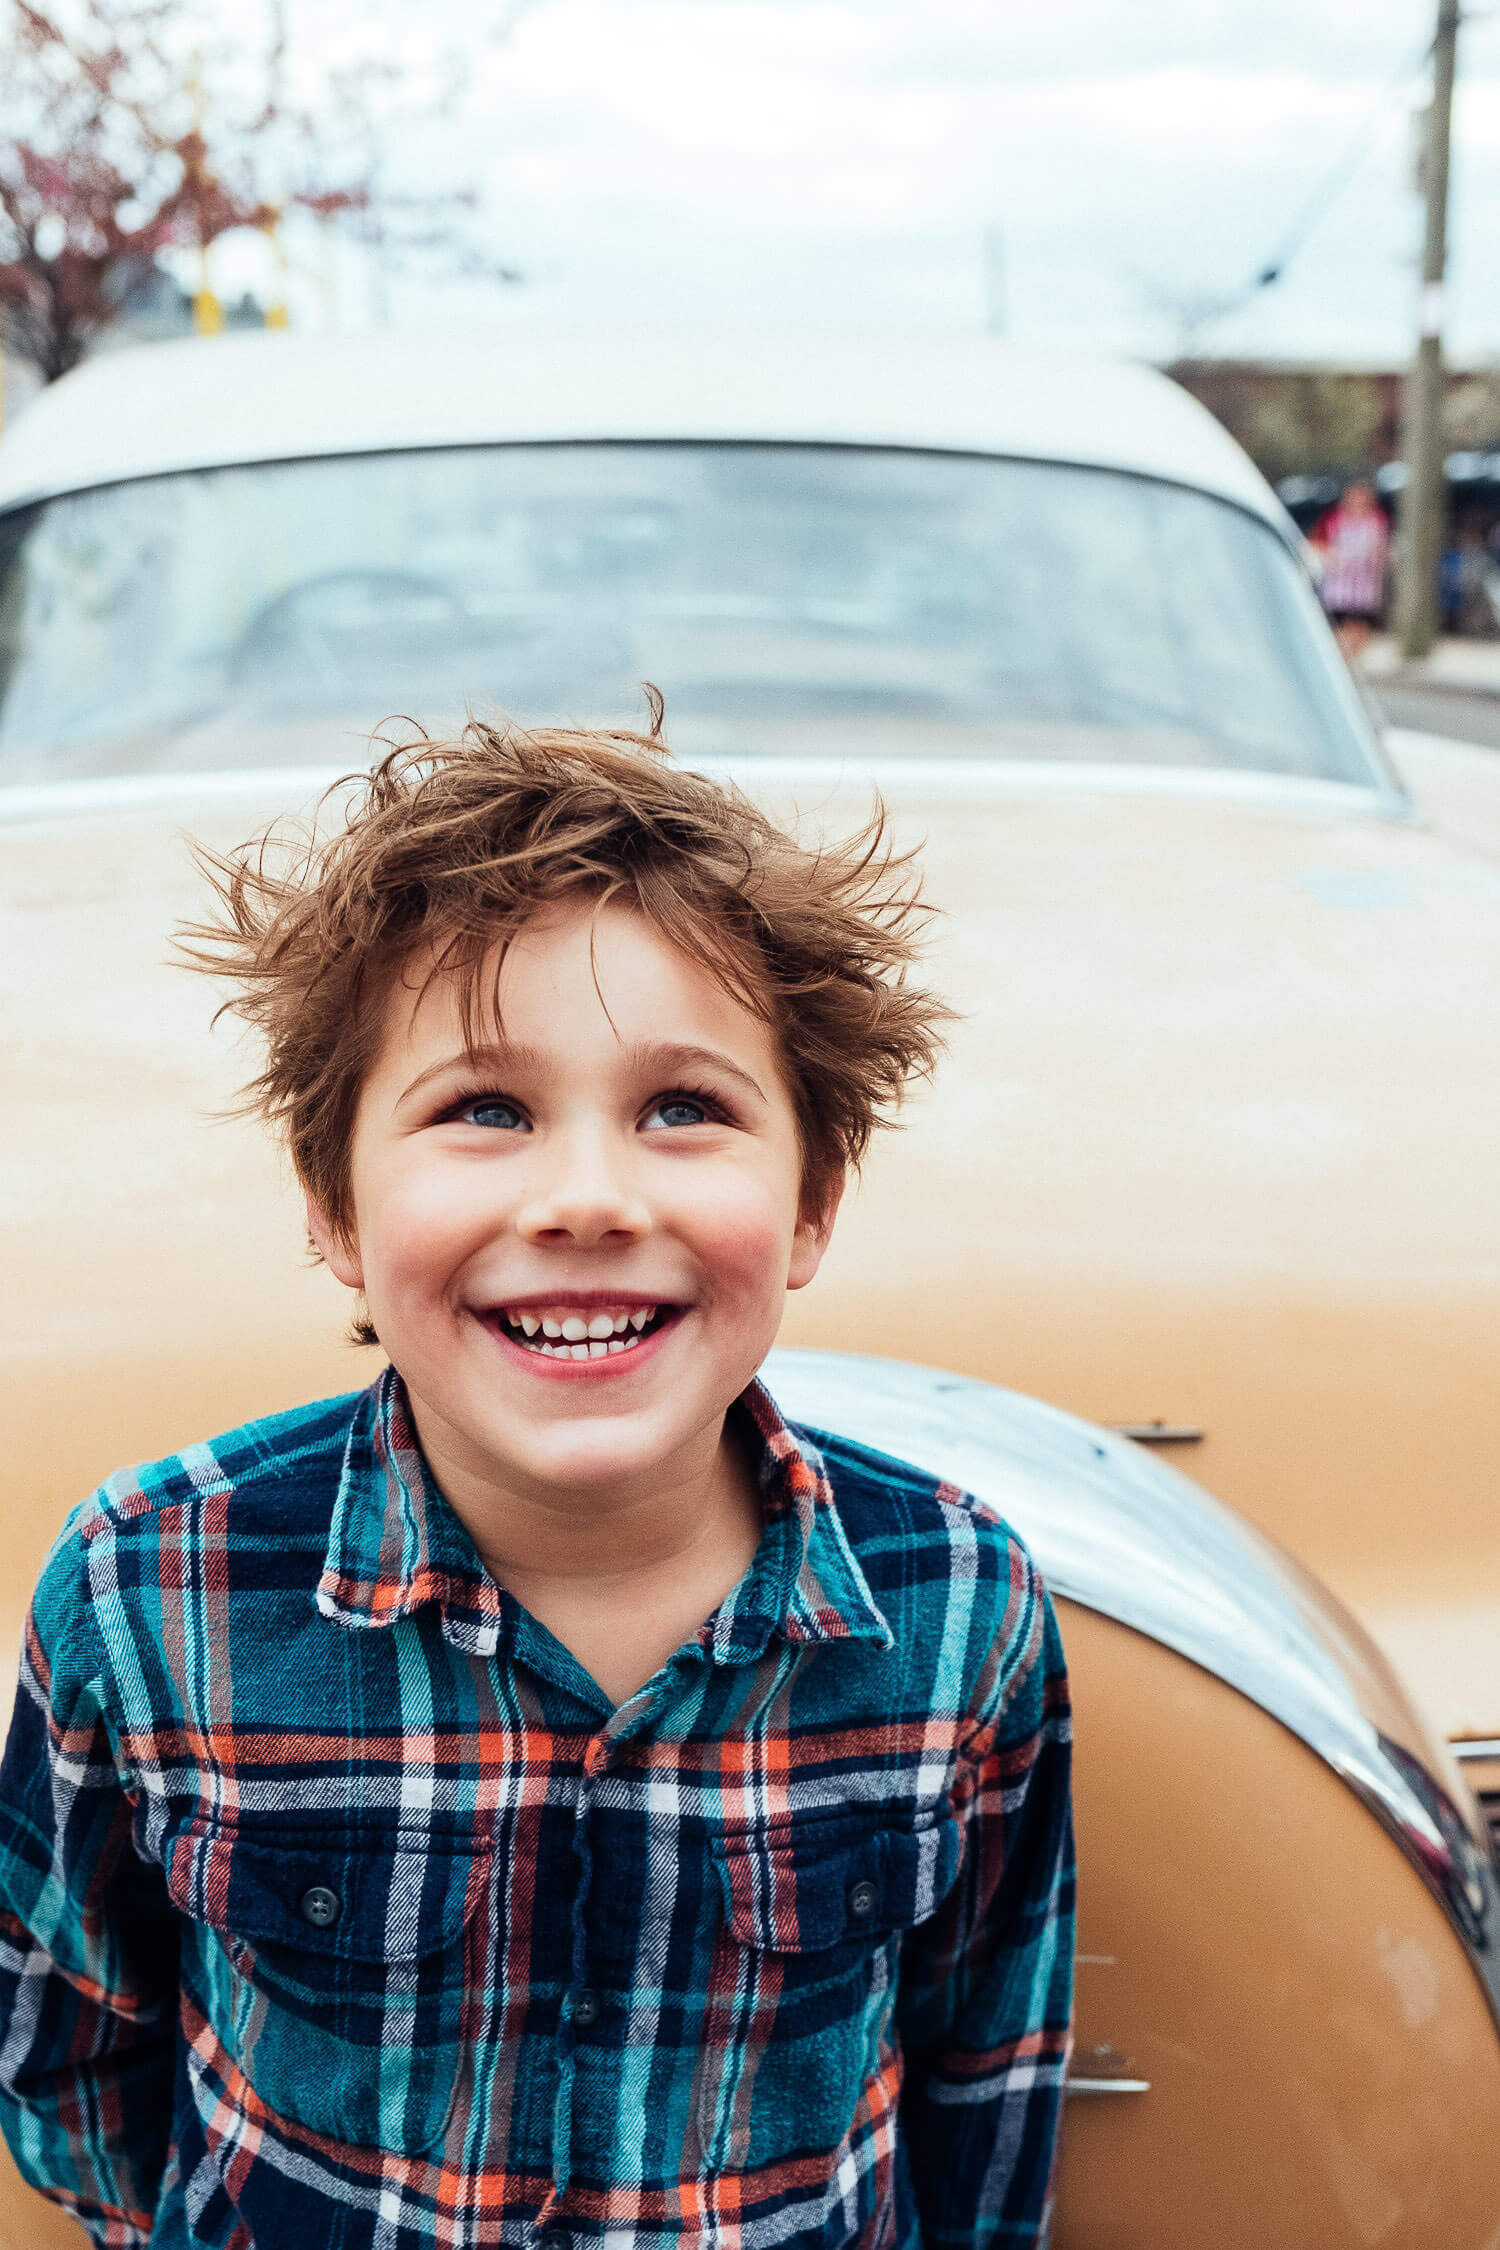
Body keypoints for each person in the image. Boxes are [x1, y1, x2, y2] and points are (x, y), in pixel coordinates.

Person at [0, 706, 1075, 2249]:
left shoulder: (963, 1605)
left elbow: (988, 2090)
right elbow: (69, 2050)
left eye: (685, 1108)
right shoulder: (142, 1587)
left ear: (815, 1200)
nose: (586, 1195)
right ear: (338, 1210)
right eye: (484, 1111)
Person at [1313, 479, 1390, 660]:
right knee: (1338, 631)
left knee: (1359, 629)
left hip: (1364, 589)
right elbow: (1318, 545)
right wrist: (1334, 557)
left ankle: (1350, 664)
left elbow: (1383, 552)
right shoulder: (1332, 519)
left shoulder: (1377, 521)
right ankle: (1340, 663)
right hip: (1338, 589)